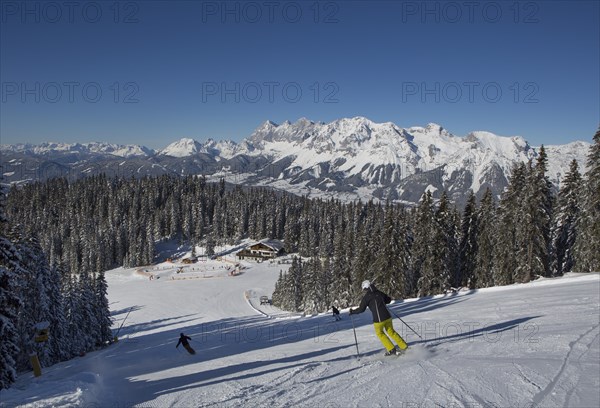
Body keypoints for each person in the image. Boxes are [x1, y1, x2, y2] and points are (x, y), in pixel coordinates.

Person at [349, 280, 408, 356]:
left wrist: (352, 312)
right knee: (391, 332)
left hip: (379, 320)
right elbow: (388, 300)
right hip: (387, 316)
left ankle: (391, 349)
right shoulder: (379, 293)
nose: (364, 291)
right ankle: (404, 346)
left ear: (366, 288)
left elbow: (361, 309)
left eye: (364, 290)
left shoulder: (366, 297)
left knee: (380, 333)